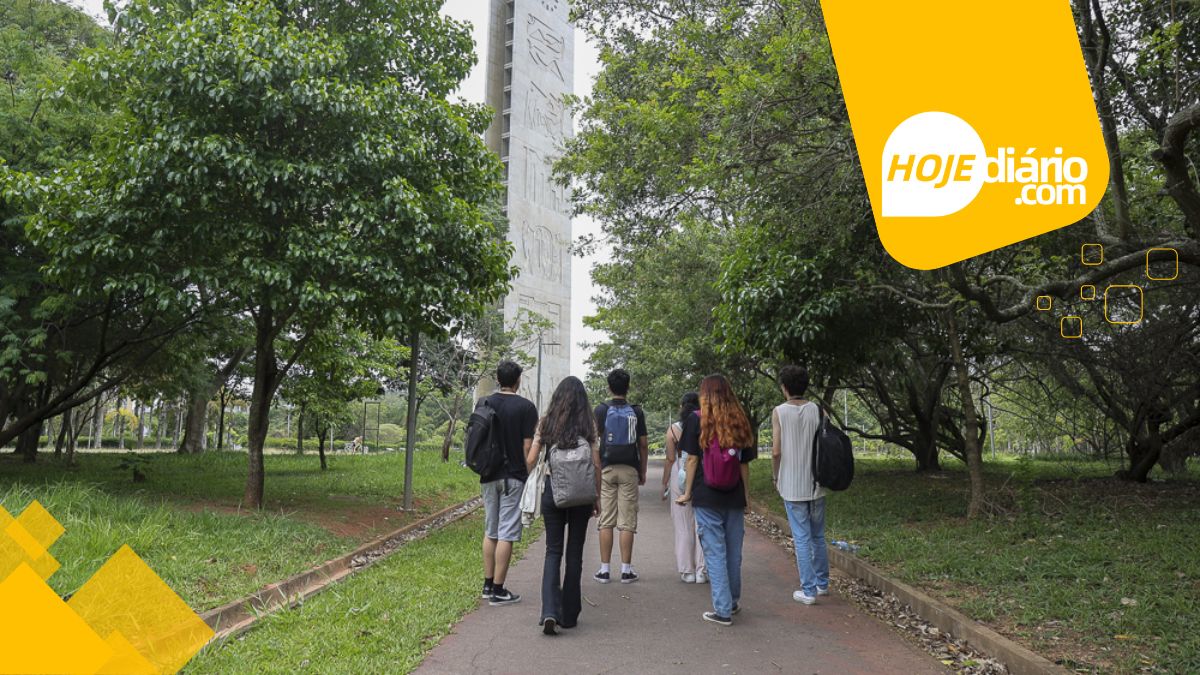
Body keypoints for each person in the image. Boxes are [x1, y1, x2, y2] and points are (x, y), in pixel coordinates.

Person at [676, 374, 757, 626]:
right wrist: (746, 496)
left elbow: (692, 459)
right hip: (734, 495)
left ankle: (722, 610)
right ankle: (731, 602)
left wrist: (687, 492)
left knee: (714, 551)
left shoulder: (696, 419)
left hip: (706, 495)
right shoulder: (740, 419)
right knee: (733, 551)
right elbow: (744, 464)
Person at [526, 376, 602, 635]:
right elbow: (596, 464)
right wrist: (596, 497)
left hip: (553, 491)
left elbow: (531, 459)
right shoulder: (589, 424)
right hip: (581, 494)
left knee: (553, 551)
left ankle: (549, 610)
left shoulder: (545, 422)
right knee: (575, 553)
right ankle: (569, 615)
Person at [479, 360, 538, 606]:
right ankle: (499, 590)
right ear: (518, 381)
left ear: (498, 379)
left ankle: (487, 585)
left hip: (488, 474)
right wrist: (529, 473)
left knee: (491, 530)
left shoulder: (484, 403)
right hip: (513, 476)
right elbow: (527, 446)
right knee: (507, 532)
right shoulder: (526, 407)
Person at [771, 364, 829, 605]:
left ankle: (808, 591)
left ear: (784, 387)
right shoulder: (818, 410)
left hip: (792, 485)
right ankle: (822, 584)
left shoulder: (779, 412)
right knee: (818, 536)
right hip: (817, 483)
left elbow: (776, 451)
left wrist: (775, 476)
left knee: (802, 538)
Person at [593, 368, 648, 584]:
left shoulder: (601, 410)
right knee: (627, 520)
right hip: (629, 468)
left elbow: (594, 441)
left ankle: (604, 570)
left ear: (609, 387)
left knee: (606, 519)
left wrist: (596, 469)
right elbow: (643, 444)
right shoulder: (636, 411)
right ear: (628, 387)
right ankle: (626, 570)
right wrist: (642, 470)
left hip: (606, 468)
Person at [662, 392, 706, 583]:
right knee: (702, 524)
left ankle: (687, 571)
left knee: (683, 526)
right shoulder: (705, 424)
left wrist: (664, 482)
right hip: (702, 474)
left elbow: (670, 459)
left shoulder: (673, 429)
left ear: (682, 407)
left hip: (679, 474)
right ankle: (702, 571)